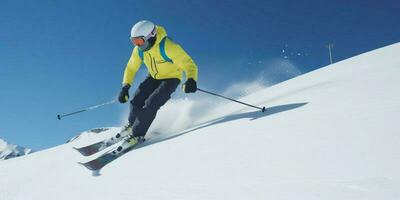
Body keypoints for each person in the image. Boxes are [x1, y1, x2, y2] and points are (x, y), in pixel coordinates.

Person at [117, 20, 198, 149]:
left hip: (171, 79)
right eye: (134, 41)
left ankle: (137, 135)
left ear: (151, 35)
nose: (137, 45)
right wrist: (125, 86)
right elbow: (131, 67)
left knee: (151, 103)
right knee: (136, 100)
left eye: (140, 41)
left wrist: (191, 79)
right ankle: (132, 124)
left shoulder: (168, 46)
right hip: (153, 77)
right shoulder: (139, 51)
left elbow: (188, 64)